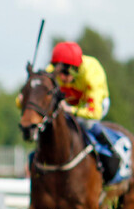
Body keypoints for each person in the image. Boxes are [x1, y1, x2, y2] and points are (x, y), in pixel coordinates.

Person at [47, 40, 122, 179]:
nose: (60, 77)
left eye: (64, 72)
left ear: (74, 69)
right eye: (57, 71)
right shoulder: (56, 70)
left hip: (94, 105)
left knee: (86, 123)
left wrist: (71, 110)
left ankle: (111, 151)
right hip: (70, 103)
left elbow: (95, 113)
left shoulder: (92, 74)